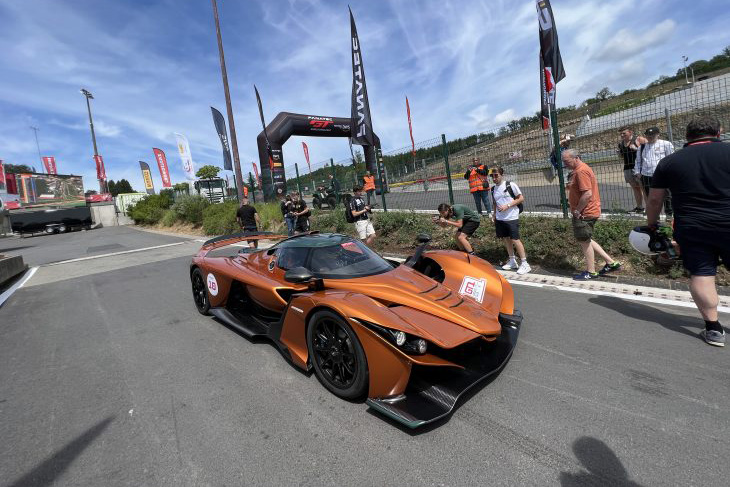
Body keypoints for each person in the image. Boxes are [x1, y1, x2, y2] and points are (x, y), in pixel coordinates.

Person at [646, 116, 729, 347]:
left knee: (702, 274)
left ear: (687, 137)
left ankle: (713, 329)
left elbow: (654, 200)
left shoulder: (670, 162)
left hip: (692, 226)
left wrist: (652, 226)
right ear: (719, 132)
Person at [562, 149, 621, 280]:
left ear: (576, 158)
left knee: (584, 241)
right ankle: (611, 263)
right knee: (586, 239)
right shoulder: (579, 171)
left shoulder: (581, 171)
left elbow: (587, 194)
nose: (564, 164)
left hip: (584, 213)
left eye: (566, 161)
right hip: (586, 211)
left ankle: (591, 271)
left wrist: (577, 210)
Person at [490, 167, 530, 274]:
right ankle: (512, 261)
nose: (494, 178)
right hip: (500, 218)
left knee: (515, 240)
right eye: (492, 176)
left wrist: (507, 205)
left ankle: (525, 263)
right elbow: (494, 202)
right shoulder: (493, 189)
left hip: (511, 217)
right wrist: (494, 215)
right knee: (506, 239)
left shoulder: (510, 185)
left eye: (496, 175)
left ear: (501, 175)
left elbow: (521, 198)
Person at [633, 127, 675, 219]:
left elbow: (671, 159)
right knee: (651, 198)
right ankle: (656, 217)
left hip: (663, 175)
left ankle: (669, 215)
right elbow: (638, 161)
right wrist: (637, 173)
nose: (650, 137)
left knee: (667, 196)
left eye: (652, 135)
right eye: (648, 135)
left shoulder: (666, 144)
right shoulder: (642, 147)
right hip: (647, 175)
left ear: (658, 134)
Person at [617, 126, 647, 213]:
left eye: (624, 133)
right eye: (621, 134)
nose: (622, 135)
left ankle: (649, 207)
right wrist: (619, 154)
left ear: (630, 132)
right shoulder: (621, 144)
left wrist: (637, 149)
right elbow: (623, 156)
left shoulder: (638, 139)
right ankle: (639, 207)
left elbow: (649, 149)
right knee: (635, 188)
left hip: (638, 168)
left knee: (643, 188)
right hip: (627, 168)